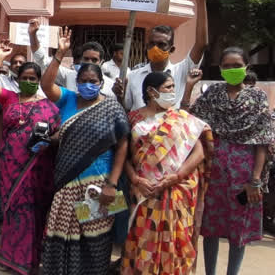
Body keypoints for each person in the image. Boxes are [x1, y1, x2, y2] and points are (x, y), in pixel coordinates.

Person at [39, 27, 130, 275]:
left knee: (96, 239)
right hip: (67, 181)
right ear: (76, 82)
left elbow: (122, 144)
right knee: (62, 234)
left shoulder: (111, 107)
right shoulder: (68, 99)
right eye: (84, 81)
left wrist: (112, 184)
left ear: (101, 83)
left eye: (93, 82)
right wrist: (59, 54)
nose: (88, 85)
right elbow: (46, 85)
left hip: (99, 185)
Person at [187, 47, 274, 275]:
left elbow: (263, 140)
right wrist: (188, 87)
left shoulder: (257, 97)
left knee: (239, 229)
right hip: (214, 172)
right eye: (227, 66)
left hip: (245, 173)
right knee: (211, 227)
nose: (232, 69)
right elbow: (189, 120)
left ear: (247, 67)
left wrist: (255, 180)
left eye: (237, 65)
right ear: (220, 68)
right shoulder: (213, 94)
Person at [0, 40, 60, 274]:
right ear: (17, 78)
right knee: (13, 211)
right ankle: (10, 258)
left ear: (38, 82)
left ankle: (30, 259)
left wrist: (48, 141)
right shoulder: (9, 98)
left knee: (33, 213)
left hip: (37, 169)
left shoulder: (50, 107)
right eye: (24, 77)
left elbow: (57, 134)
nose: (28, 81)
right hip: (10, 166)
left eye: (32, 79)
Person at [121, 72, 208, 274]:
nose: (172, 92)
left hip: (176, 190)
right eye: (168, 88)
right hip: (145, 192)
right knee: (144, 238)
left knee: (177, 239)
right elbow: (122, 154)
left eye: (172, 87)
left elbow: (199, 152)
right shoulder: (133, 118)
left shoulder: (181, 118)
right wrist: (135, 179)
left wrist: (176, 177)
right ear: (151, 92)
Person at [116, 0, 210, 111]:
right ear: (146, 46)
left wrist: (201, 2)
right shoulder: (133, 76)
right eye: (152, 44)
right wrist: (119, 96)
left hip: (171, 129)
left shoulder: (182, 71)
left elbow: (201, 44)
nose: (156, 48)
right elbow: (127, 109)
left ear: (172, 49)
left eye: (161, 44)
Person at [29, 19, 116, 97]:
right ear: (81, 60)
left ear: (101, 62)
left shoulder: (110, 84)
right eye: (86, 59)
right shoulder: (69, 75)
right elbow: (42, 60)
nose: (89, 62)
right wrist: (33, 35)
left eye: (94, 60)